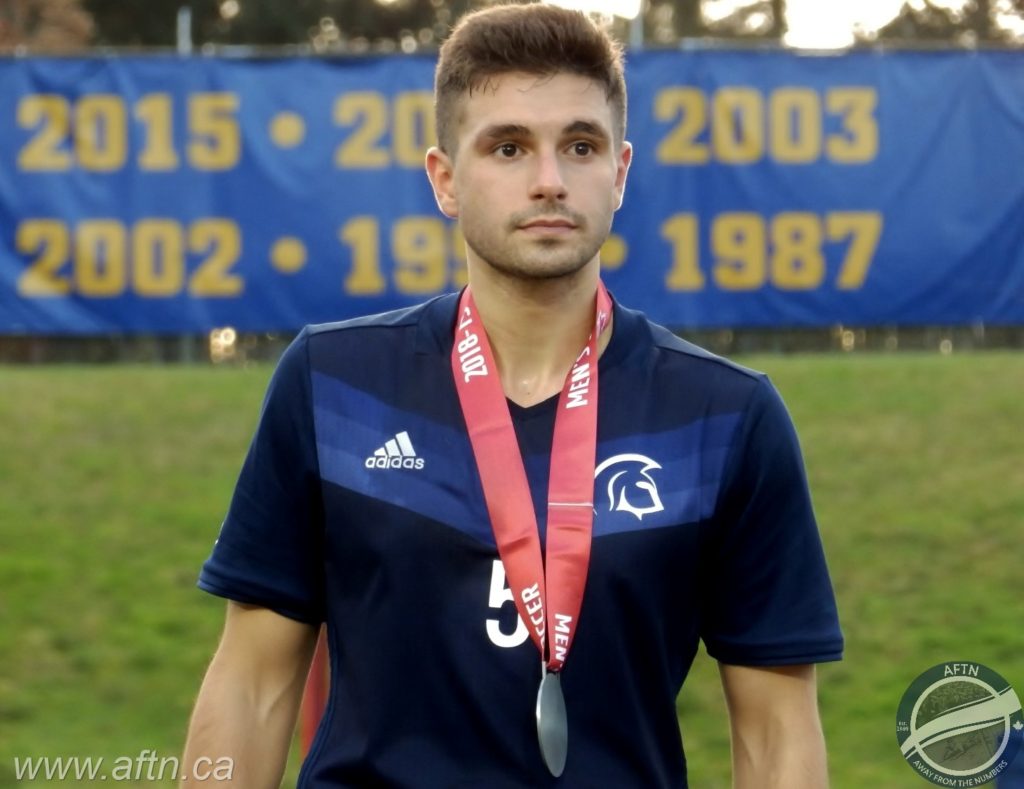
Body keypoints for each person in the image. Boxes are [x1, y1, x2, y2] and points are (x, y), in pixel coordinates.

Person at [180, 4, 843, 787]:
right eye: (508, 147)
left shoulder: (724, 417)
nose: (549, 180)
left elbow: (775, 731)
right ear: (445, 180)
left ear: (620, 173)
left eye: (581, 146)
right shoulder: (333, 384)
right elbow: (252, 686)